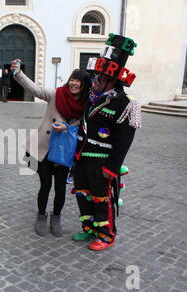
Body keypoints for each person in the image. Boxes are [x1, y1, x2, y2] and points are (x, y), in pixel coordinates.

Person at [72, 33, 141, 251]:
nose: (95, 80)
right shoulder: (93, 97)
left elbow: (124, 140)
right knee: (83, 194)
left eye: (100, 77)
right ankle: (90, 229)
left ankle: (106, 234)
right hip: (82, 158)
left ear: (112, 80)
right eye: (96, 76)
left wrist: (111, 168)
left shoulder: (125, 103)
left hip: (101, 164)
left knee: (101, 198)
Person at [11, 59, 91, 237]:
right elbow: (36, 90)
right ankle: (41, 216)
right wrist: (18, 73)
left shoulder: (86, 105)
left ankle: (56, 218)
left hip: (64, 152)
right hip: (44, 148)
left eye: (78, 81)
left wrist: (68, 128)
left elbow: (85, 127)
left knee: (60, 187)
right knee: (46, 185)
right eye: (72, 79)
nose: (74, 83)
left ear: (84, 85)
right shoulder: (57, 94)